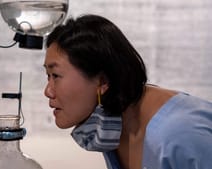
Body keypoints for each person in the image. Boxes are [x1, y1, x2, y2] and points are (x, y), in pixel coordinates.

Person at [42, 14, 212, 169]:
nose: (48, 91)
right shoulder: (112, 126)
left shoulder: (180, 135)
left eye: (56, 75)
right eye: (47, 76)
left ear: (103, 81)